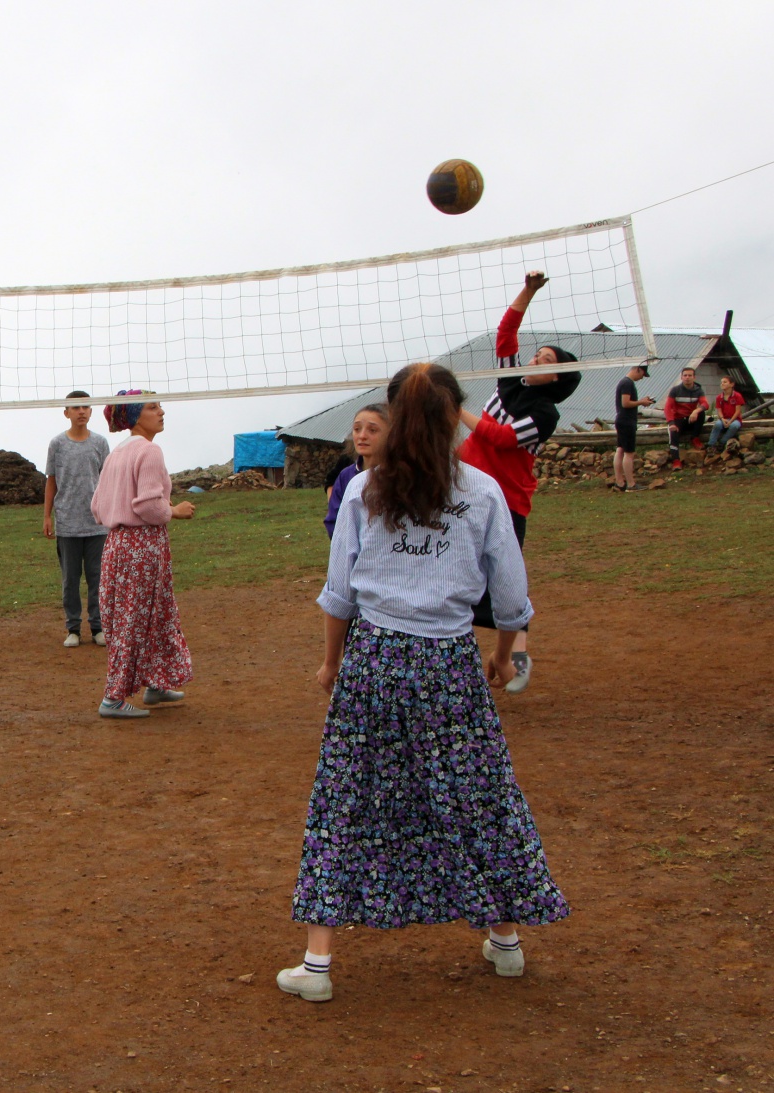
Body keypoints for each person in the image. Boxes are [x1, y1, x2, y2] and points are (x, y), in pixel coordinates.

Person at [278, 362, 569, 1004]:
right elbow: (514, 600)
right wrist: (503, 654)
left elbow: (339, 595)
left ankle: (317, 966)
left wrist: (332, 664)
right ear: (451, 417)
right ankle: (507, 941)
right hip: (449, 664)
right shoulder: (484, 492)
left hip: (375, 660)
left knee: (347, 797)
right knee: (478, 794)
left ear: (398, 419)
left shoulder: (362, 490)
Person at [457, 271, 581, 694]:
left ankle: (515, 658)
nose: (536, 359)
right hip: (466, 488)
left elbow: (500, 437)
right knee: (456, 569)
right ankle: (461, 659)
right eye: (538, 354)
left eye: (548, 361)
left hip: (508, 502)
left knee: (507, 580)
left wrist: (456, 411)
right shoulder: (509, 378)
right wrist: (528, 291)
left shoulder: (546, 414)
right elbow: (507, 331)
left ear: (559, 378)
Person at [88, 391, 195, 719]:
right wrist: (174, 511)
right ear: (135, 416)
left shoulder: (115, 454)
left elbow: (96, 507)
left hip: (117, 545)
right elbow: (149, 505)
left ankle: (156, 682)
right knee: (133, 619)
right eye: (153, 407)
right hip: (142, 546)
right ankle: (113, 697)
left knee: (156, 613)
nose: (161, 411)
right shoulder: (148, 451)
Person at [43, 390, 110, 648]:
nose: (81, 411)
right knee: (70, 580)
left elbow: (108, 480)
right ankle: (73, 628)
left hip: (97, 524)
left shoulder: (101, 443)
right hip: (68, 524)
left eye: (85, 407)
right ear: (66, 413)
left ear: (91, 411)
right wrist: (47, 515)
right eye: (76, 407)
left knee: (98, 578)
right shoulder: (57, 444)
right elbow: (51, 480)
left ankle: (98, 627)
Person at [323, 404, 386, 539]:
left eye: (372, 430)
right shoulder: (346, 476)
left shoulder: (398, 475)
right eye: (357, 429)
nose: (362, 436)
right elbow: (334, 520)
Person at [612, 363, 655, 492]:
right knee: (629, 453)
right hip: (627, 420)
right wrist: (641, 402)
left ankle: (619, 482)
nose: (642, 378)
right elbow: (625, 403)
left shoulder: (624, 382)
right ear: (638, 369)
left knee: (620, 450)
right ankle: (630, 484)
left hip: (621, 419)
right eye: (642, 374)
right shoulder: (627, 383)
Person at [665, 366, 709, 469]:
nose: (687, 378)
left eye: (690, 375)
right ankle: (676, 461)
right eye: (685, 375)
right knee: (673, 434)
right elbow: (667, 408)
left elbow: (705, 404)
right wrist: (671, 423)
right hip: (678, 419)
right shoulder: (675, 390)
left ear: (694, 377)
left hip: (691, 419)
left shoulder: (698, 390)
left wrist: (696, 411)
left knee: (701, 413)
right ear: (681, 377)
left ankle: (695, 438)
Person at [709, 375, 746, 452]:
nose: (722, 384)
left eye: (725, 382)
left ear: (732, 384)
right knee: (717, 425)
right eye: (721, 382)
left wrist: (730, 421)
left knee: (734, 426)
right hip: (723, 418)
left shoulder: (737, 396)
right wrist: (722, 419)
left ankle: (722, 442)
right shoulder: (719, 397)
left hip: (735, 419)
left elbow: (738, 411)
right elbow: (719, 410)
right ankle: (711, 445)